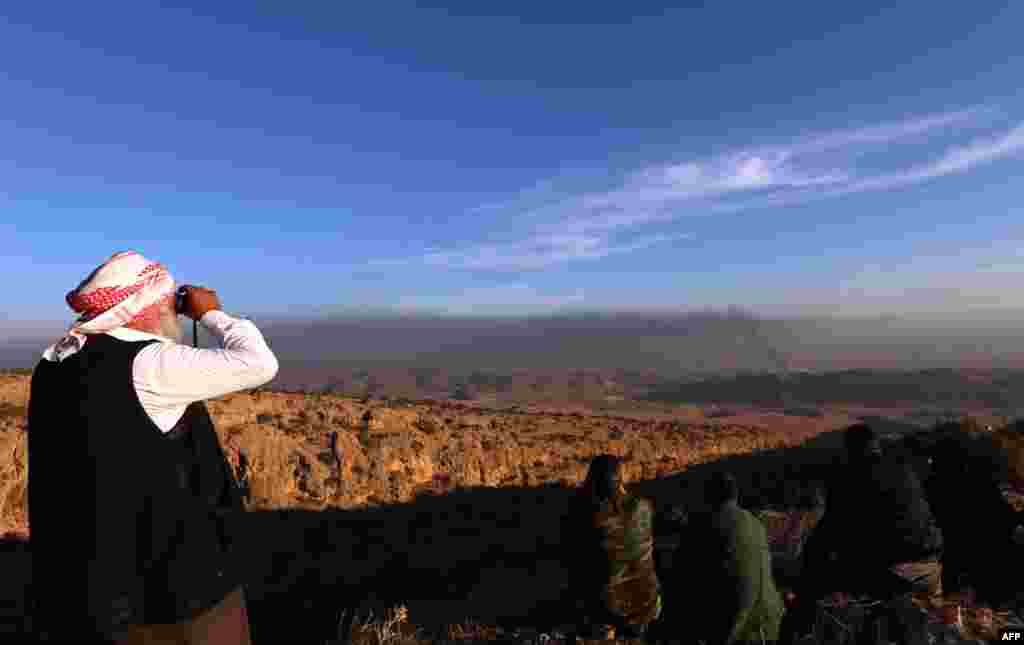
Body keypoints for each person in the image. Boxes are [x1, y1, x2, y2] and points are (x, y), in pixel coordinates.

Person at [27, 251, 279, 644]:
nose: (173, 313)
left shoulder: (55, 364)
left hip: (91, 593)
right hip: (179, 591)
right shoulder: (149, 363)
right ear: (144, 307)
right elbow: (260, 363)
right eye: (168, 303)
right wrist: (210, 314)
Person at [667, 472, 784, 644]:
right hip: (769, 625)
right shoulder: (756, 524)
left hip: (735, 632)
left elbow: (679, 576)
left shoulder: (702, 526)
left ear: (707, 498)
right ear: (735, 496)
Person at [562, 454, 662, 643]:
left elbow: (570, 556)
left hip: (605, 608)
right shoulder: (644, 507)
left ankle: (603, 627)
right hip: (647, 604)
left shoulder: (583, 514)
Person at [926, 430, 1023, 607]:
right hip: (989, 560)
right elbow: (1003, 517)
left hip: (954, 559)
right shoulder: (979, 479)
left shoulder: (932, 482)